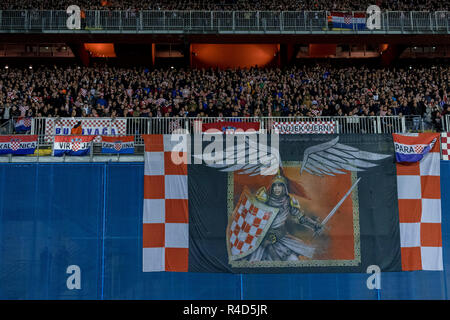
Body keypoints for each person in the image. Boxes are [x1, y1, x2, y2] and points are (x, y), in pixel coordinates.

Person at [241, 172, 324, 262]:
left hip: (281, 238)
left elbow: (300, 217)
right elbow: (254, 218)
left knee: (293, 261)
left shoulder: (288, 201)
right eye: (274, 186)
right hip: (263, 240)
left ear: (284, 187)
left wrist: (314, 225)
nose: (277, 188)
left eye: (279, 185)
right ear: (272, 187)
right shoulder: (265, 200)